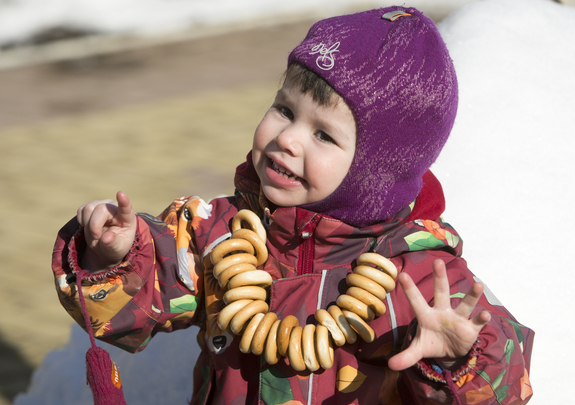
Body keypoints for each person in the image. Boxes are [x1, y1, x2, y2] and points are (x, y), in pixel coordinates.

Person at [52, 6, 534, 404]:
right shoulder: (218, 231)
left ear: (375, 173)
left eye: (324, 134)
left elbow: (507, 383)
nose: (287, 139)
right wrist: (112, 255)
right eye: (285, 109)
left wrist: (458, 358)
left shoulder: (416, 274)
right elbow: (149, 294)